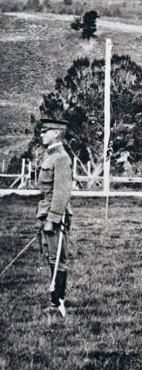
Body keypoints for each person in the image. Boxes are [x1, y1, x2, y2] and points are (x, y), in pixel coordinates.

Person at [36, 118, 73, 317]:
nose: (42, 135)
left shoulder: (61, 158)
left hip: (54, 215)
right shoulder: (50, 156)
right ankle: (54, 297)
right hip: (45, 212)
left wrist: (53, 218)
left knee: (58, 258)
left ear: (57, 133)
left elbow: (61, 192)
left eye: (45, 131)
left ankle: (56, 302)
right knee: (50, 256)